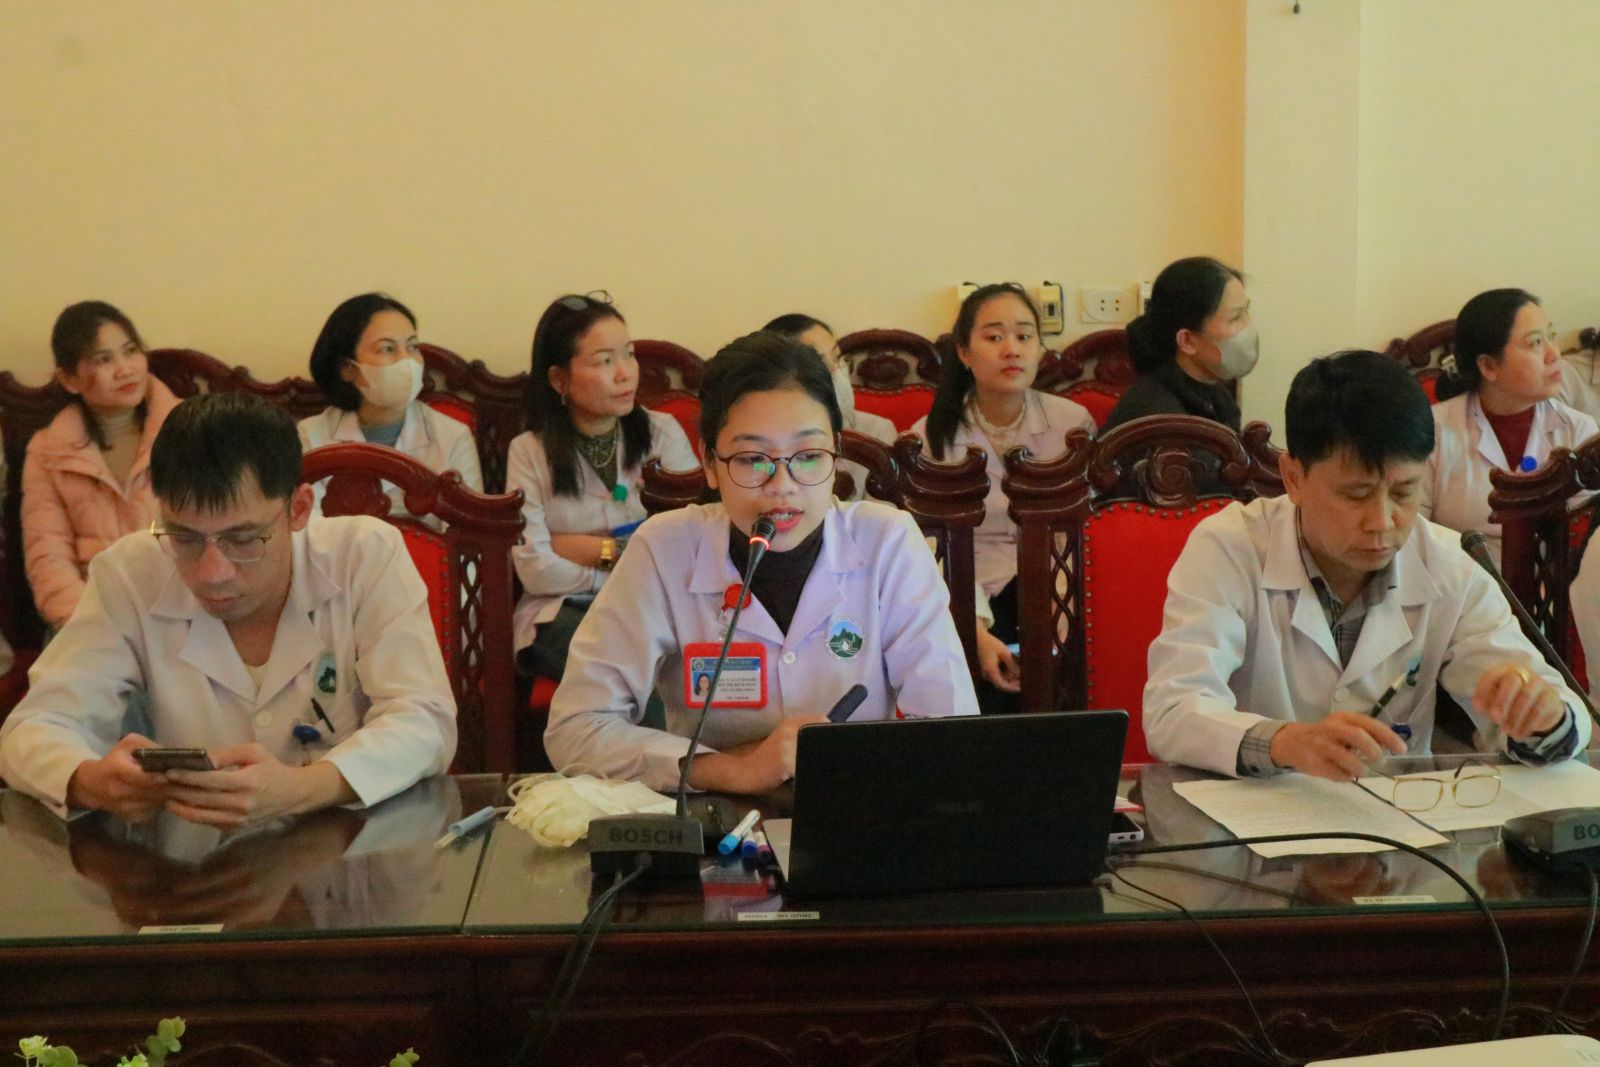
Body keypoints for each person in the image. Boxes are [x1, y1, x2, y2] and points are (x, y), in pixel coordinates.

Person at [544, 331, 977, 792]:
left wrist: (843, 764)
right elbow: (576, 727)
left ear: (836, 453)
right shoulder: (665, 548)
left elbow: (952, 731)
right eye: (753, 459)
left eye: (809, 456)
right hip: (716, 812)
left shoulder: (888, 543)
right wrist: (733, 769)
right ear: (710, 463)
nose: (782, 485)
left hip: (861, 804)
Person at [0, 392, 457, 824]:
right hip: (180, 862)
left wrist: (304, 787)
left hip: (347, 853)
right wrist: (89, 781)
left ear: (298, 509)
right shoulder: (128, 573)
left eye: (242, 539)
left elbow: (423, 718)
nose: (213, 572)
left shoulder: (363, 555)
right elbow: (34, 726)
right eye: (185, 538)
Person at [1144, 351, 1589, 780]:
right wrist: (1285, 742)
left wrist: (1541, 717)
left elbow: (1552, 712)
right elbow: (1174, 710)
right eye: (1355, 494)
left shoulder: (1451, 565)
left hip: (1399, 820)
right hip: (1251, 819)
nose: (1382, 521)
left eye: (1404, 492)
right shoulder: (1229, 548)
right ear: (1294, 478)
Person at [911, 283, 1096, 710]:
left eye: (1024, 336)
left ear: (1040, 348)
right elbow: (927, 549)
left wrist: (1063, 618)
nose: (1012, 349)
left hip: (1060, 583)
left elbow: (1090, 527)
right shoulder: (928, 437)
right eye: (994, 337)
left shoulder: (1073, 424)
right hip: (966, 589)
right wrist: (973, 632)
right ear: (964, 352)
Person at [507, 293, 698, 677]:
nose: (625, 373)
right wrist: (620, 564)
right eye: (605, 361)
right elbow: (535, 569)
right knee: (616, 652)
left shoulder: (661, 433)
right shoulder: (528, 451)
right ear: (559, 379)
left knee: (657, 649)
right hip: (562, 609)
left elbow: (692, 543)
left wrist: (587, 548)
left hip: (655, 604)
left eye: (629, 355)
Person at [22, 301, 180, 630]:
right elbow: (48, 558)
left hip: (182, 611)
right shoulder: (48, 451)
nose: (125, 369)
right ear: (69, 380)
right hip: (89, 618)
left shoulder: (189, 428)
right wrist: (96, 628)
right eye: (103, 360)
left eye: (130, 351)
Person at [1423, 289, 1597, 564]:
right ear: (1488, 366)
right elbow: (1413, 534)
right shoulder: (1433, 431)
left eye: (1551, 336)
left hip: (1556, 585)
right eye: (1535, 342)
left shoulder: (1579, 431)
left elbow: (1588, 538)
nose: (1554, 355)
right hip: (1455, 583)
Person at [299, 292, 483, 515]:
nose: (406, 362)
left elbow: (469, 526)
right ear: (348, 369)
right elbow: (306, 525)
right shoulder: (310, 436)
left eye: (412, 347)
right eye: (387, 349)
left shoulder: (453, 436)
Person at [1101, 257, 1255, 434]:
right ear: (1187, 341)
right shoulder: (1164, 420)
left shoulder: (1215, 395)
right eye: (1235, 318)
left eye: (1246, 311)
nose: (1248, 326)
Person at [764, 313, 898, 501]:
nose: (836, 370)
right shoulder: (760, 436)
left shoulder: (877, 430)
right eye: (819, 361)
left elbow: (885, 512)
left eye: (837, 357)